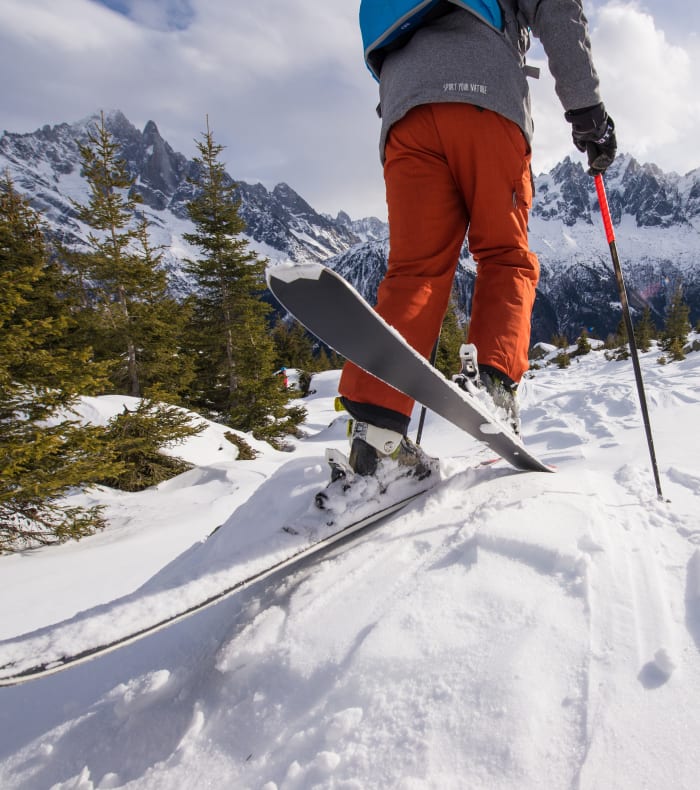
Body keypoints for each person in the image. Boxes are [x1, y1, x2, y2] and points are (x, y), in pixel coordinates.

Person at [334, 0, 616, 483]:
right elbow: (555, 6)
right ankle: (493, 384)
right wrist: (585, 106)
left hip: (405, 110)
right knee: (505, 256)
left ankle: (377, 434)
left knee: (414, 271)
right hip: (486, 98)